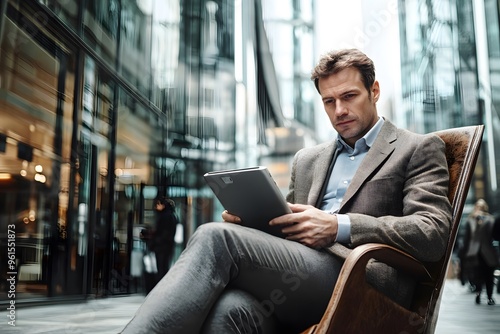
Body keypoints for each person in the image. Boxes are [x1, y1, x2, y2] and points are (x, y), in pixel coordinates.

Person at [120, 48, 452, 333]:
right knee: (230, 310)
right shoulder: (307, 160)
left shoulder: (417, 148)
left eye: (349, 96)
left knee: (214, 238)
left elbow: (432, 231)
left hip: (362, 280)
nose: (339, 111)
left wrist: (339, 227)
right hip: (300, 278)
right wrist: (252, 223)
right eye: (329, 101)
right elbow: (286, 230)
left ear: (374, 90)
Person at [462, 199, 499, 305]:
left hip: (487, 252)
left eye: (481, 207)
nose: (479, 209)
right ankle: (478, 293)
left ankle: (489, 296)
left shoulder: (491, 219)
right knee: (477, 275)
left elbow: (493, 235)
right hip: (474, 252)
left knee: (489, 275)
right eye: (478, 207)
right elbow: (467, 238)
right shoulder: (470, 220)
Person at [142, 197, 178, 293]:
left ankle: (160, 290)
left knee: (161, 268)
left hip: (162, 247)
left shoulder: (165, 217)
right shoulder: (171, 216)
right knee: (163, 267)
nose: (157, 206)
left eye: (159, 204)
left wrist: (154, 241)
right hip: (166, 246)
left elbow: (163, 233)